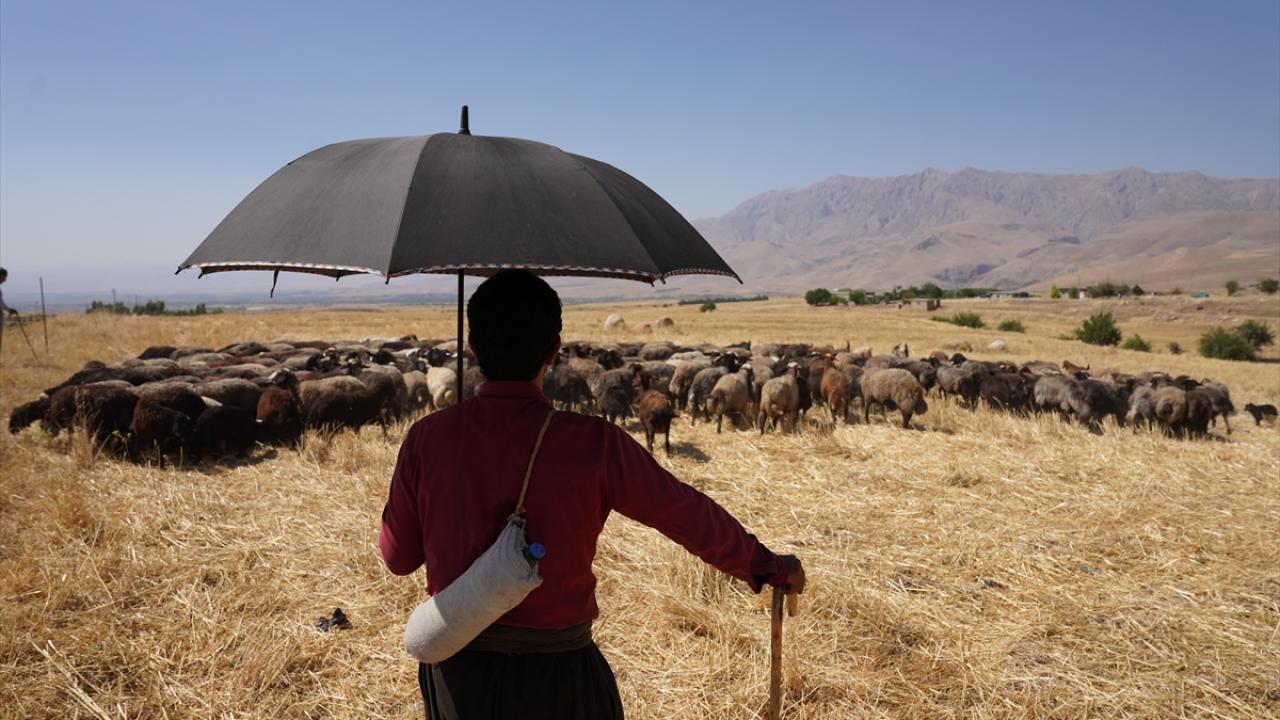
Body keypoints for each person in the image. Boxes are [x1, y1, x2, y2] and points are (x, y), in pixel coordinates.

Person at [379, 270, 805, 720]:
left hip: (457, 676)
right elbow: (685, 513)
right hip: (560, 678)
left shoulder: (427, 439)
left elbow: (397, 558)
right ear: (554, 350)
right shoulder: (593, 443)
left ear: (473, 349)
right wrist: (765, 564)